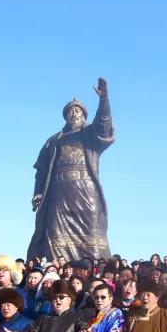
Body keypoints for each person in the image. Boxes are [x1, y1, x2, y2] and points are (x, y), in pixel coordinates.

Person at [27, 77, 115, 262]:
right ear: (65, 115)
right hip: (59, 194)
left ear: (84, 115)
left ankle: (94, 268)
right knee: (55, 232)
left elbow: (104, 125)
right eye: (71, 110)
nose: (74, 113)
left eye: (78, 110)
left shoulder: (90, 133)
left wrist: (104, 99)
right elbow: (41, 170)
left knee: (92, 229)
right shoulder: (54, 140)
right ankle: (56, 267)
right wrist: (38, 192)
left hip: (86, 190)